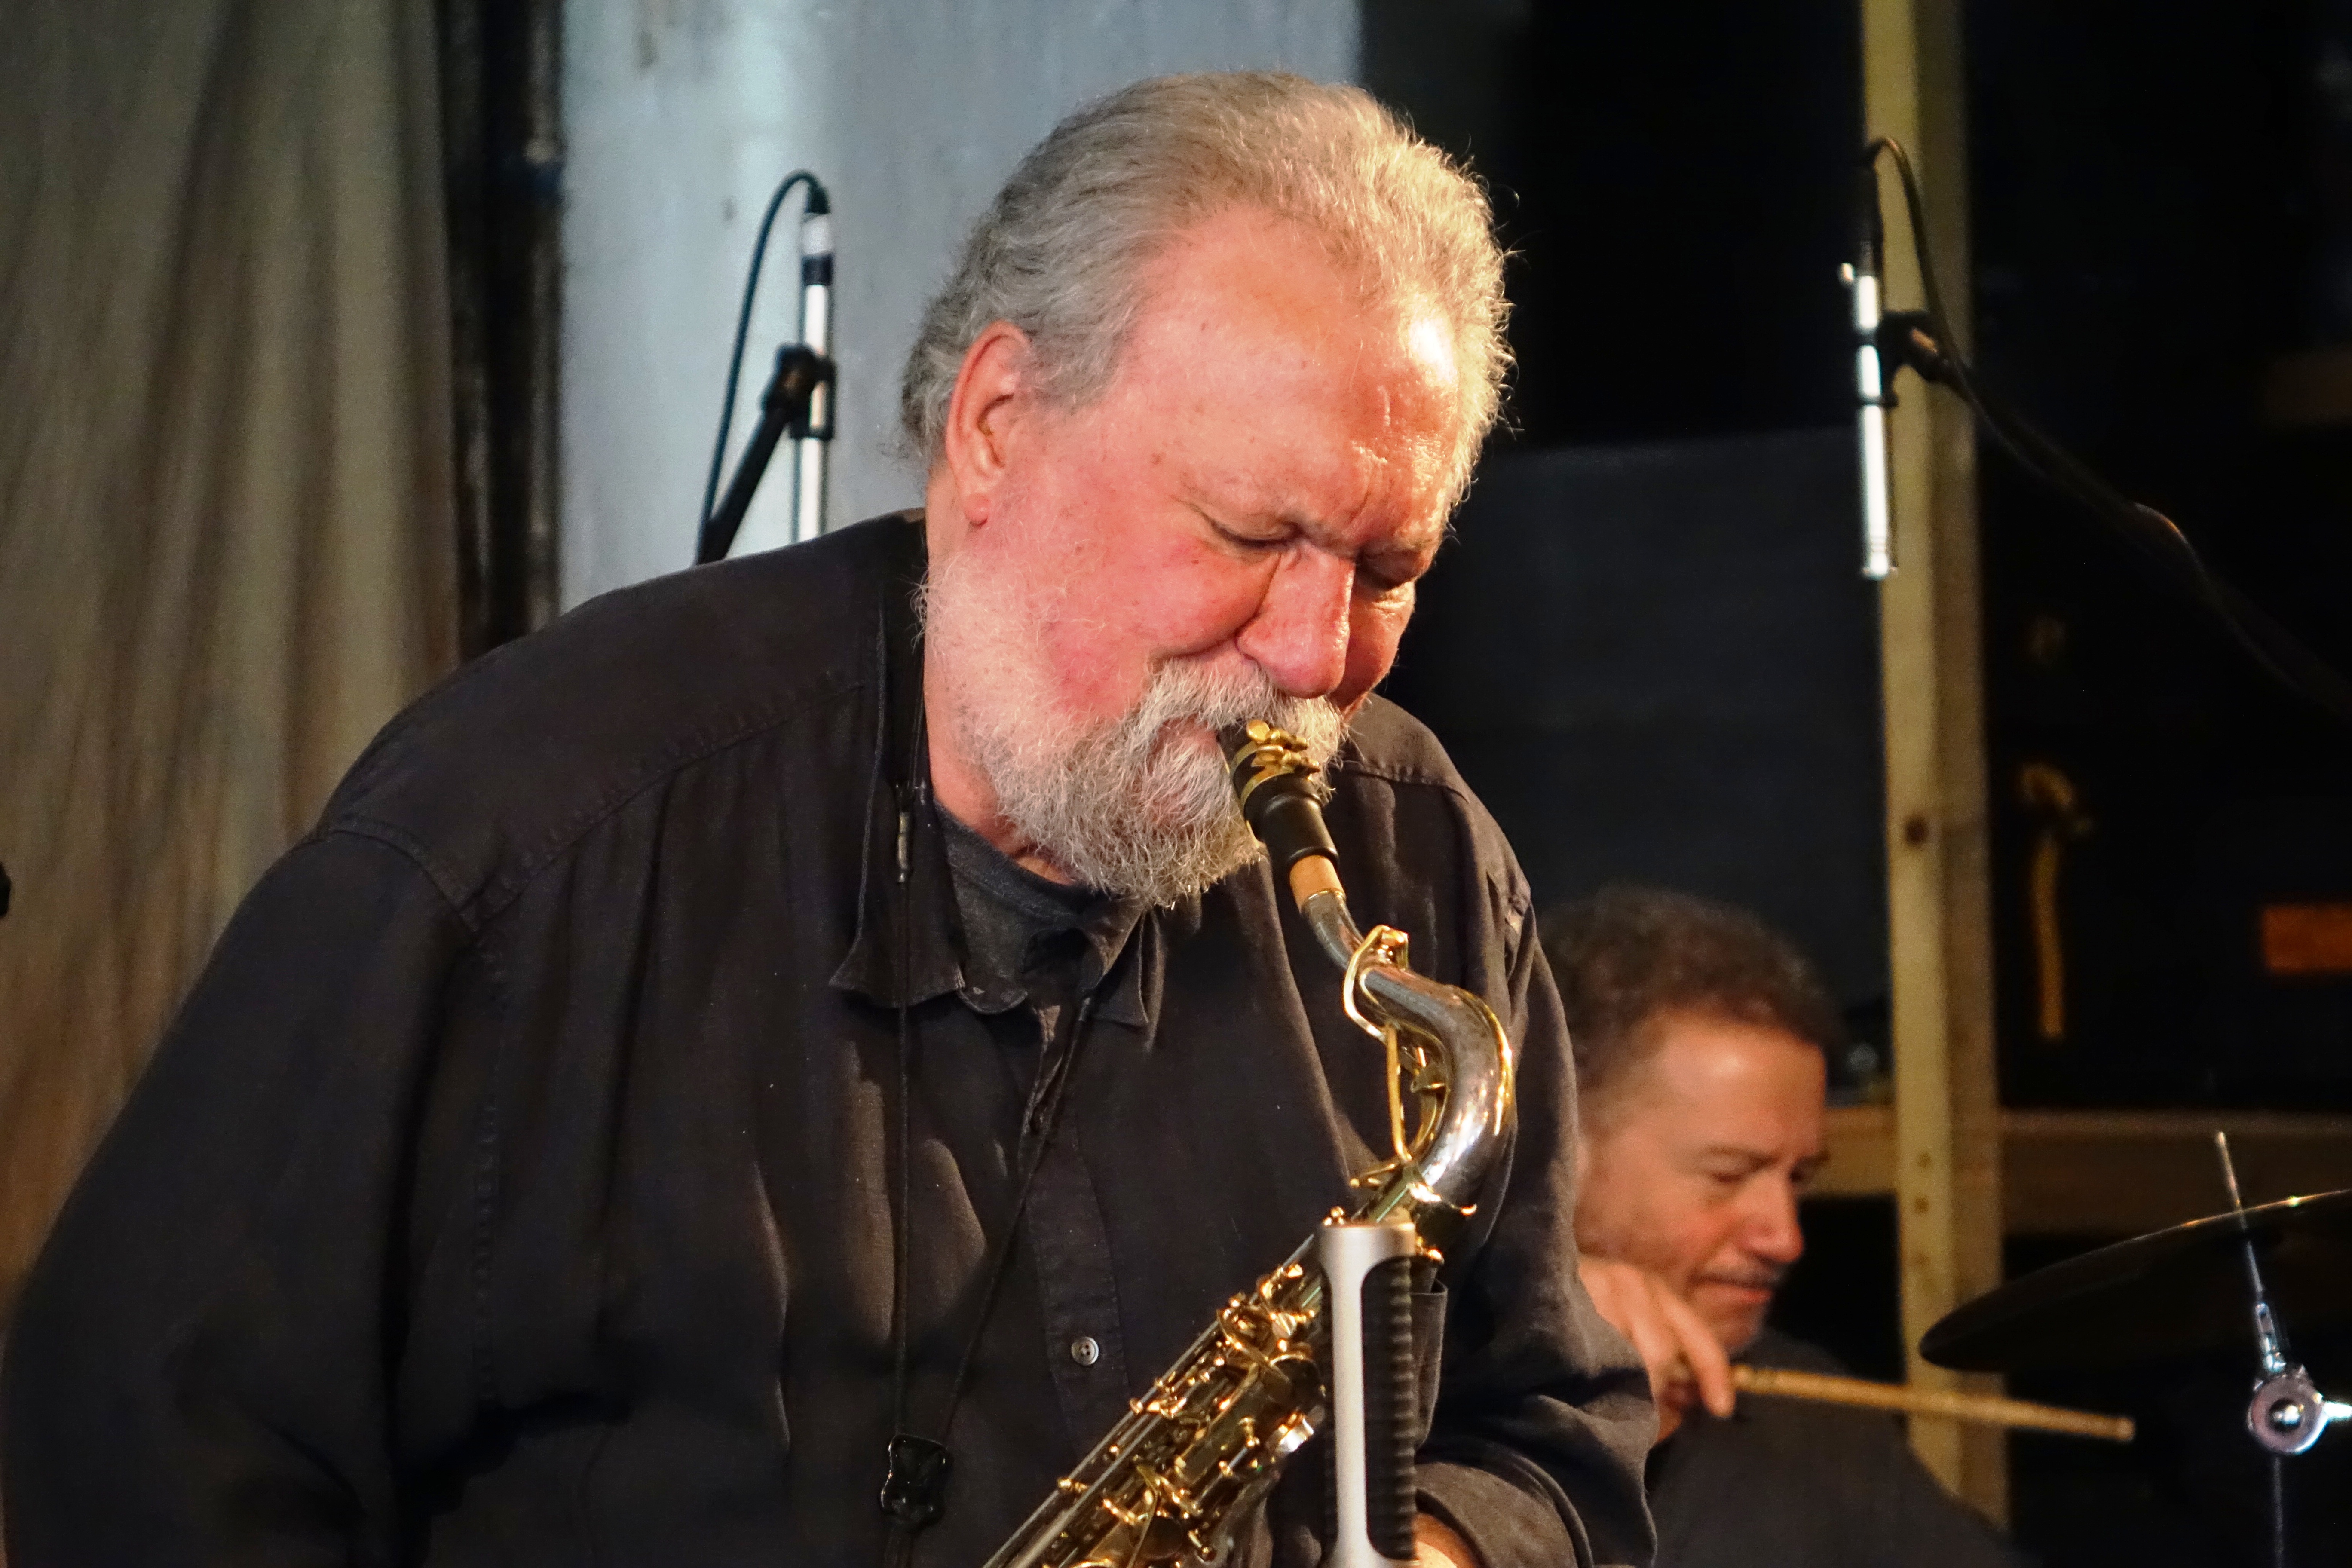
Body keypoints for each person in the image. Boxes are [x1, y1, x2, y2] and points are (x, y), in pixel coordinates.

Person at [1, 74, 1654, 1568]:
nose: (1316, 658)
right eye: (1249, 532)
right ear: (997, 424)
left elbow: (1556, 1438)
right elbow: (143, 1442)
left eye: (1387, 569)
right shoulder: (521, 835)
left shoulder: (1419, 855)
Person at [1546, 884, 2021, 1568]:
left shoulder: (1813, 1422)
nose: (1785, 1238)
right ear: (1556, 1153)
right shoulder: (1410, 1395)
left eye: (1797, 1179)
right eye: (1729, 1174)